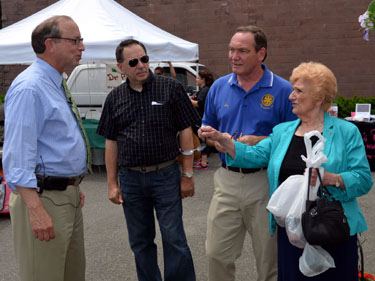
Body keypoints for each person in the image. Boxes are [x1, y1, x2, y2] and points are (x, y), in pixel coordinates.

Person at [199, 61, 374, 281]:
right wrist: (227, 142)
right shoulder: (283, 131)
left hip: (332, 229)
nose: (291, 96)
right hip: (291, 232)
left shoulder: (346, 132)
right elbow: (258, 155)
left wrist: (331, 178)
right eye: (292, 90)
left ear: (319, 98)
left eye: (298, 91)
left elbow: (363, 178)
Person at [96, 39, 199, 281]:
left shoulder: (170, 89)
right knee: (140, 242)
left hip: (165, 175)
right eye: (133, 61)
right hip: (130, 179)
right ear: (121, 67)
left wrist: (188, 175)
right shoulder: (114, 99)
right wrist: (112, 184)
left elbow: (186, 130)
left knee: (174, 238)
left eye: (144, 59)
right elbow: (111, 142)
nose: (141, 65)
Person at [201, 25, 297, 281]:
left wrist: (261, 140)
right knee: (216, 254)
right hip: (226, 179)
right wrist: (214, 139)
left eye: (242, 51)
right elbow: (207, 128)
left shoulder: (284, 90)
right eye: (231, 50)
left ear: (261, 53)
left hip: (265, 182)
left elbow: (294, 139)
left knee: (269, 260)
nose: (234, 56)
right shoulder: (219, 87)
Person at [2, 16, 88, 281]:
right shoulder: (31, 87)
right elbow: (17, 155)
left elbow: (53, 142)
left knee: (71, 275)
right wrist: (35, 208)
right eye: (75, 40)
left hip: (64, 195)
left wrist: (72, 183)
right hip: (43, 198)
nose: (81, 47)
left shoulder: (54, 82)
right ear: (50, 44)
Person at [190, 69, 215, 169]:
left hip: (201, 118)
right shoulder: (202, 90)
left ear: (203, 79)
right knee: (202, 139)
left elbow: (199, 104)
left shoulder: (205, 90)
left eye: (198, 78)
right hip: (198, 118)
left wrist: (189, 100)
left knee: (203, 138)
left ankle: (204, 162)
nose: (196, 80)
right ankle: (203, 159)